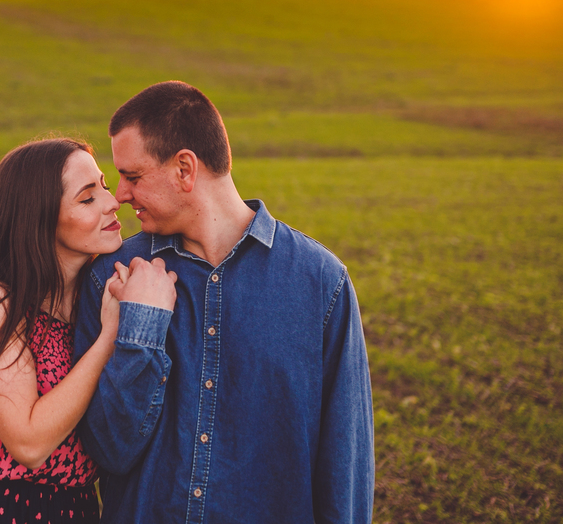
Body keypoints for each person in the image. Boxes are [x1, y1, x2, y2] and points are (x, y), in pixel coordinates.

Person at [74, 81, 374, 524]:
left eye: (132, 176)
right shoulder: (111, 277)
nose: (119, 194)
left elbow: (344, 466)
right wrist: (141, 328)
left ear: (185, 169)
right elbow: (107, 451)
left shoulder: (321, 283)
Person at [0, 138, 129, 524]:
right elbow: (28, 441)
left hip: (79, 509)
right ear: (39, 217)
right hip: (0, 509)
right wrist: (109, 339)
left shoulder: (92, 300)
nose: (112, 202)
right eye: (87, 198)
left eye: (104, 186)